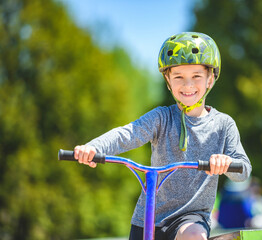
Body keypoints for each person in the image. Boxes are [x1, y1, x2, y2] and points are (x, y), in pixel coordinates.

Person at [73, 32, 252, 240]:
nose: (187, 85)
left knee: (194, 236)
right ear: (168, 80)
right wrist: (94, 147)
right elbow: (127, 133)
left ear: (210, 79)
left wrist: (226, 162)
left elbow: (244, 170)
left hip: (191, 219)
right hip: (148, 219)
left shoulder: (223, 125)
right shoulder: (162, 118)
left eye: (196, 76)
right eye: (178, 77)